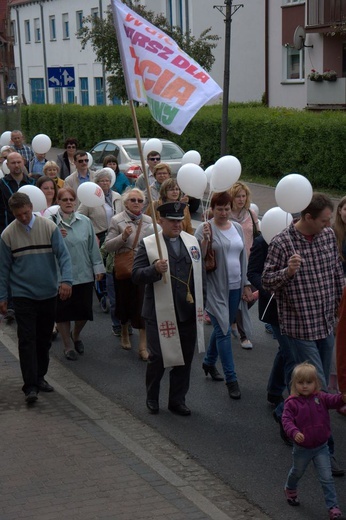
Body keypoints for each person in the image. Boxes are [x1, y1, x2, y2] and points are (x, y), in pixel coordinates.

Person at [262, 192, 345, 476]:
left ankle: (283, 413)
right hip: (298, 327)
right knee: (319, 389)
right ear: (307, 217)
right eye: (323, 220)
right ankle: (327, 452)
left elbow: (336, 273)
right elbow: (267, 281)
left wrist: (338, 308)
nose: (328, 224)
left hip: (324, 323)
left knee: (309, 389)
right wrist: (287, 271)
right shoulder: (282, 242)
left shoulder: (327, 237)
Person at [132, 201, 206, 416]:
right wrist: (154, 269)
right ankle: (152, 396)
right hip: (159, 311)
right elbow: (136, 275)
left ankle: (177, 400)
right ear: (160, 221)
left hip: (188, 310)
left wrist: (204, 304)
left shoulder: (191, 242)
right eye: (172, 221)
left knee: (185, 359)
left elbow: (201, 277)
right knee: (158, 357)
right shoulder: (149, 244)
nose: (177, 225)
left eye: (179, 220)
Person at [0, 192, 72, 403]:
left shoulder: (48, 227)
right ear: (12, 213)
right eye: (18, 215)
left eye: (26, 213)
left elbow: (63, 255)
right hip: (23, 295)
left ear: (31, 207)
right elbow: (3, 269)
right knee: (26, 340)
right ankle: (30, 386)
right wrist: (3, 296)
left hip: (48, 293)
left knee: (43, 339)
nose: (23, 218)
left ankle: (40, 377)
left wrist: (66, 280)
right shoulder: (7, 235)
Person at [195, 191, 253, 400]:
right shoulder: (204, 228)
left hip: (235, 287)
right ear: (212, 209)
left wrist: (246, 282)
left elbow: (243, 257)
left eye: (227, 208)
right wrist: (205, 243)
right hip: (215, 288)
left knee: (222, 328)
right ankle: (232, 379)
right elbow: (195, 259)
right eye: (219, 209)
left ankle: (209, 363)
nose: (223, 212)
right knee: (224, 332)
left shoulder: (236, 227)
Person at [282, 363, 346, 520]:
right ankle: (290, 488)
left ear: (316, 383)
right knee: (297, 472)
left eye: (309, 382)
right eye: (300, 382)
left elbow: (334, 400)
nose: (304, 386)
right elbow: (286, 421)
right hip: (302, 448)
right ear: (294, 384)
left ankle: (333, 508)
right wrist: (294, 432)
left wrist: (342, 397)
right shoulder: (292, 403)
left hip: (321, 446)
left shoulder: (321, 397)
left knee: (326, 477)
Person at [52, 187, 105, 361]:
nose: (68, 202)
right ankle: (68, 346)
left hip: (83, 273)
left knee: (83, 312)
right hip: (61, 277)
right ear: (58, 202)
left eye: (71, 199)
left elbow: (92, 246)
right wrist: (53, 237)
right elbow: (44, 249)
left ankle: (76, 335)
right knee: (63, 312)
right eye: (64, 199)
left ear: (76, 201)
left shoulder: (84, 221)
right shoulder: (50, 223)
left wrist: (98, 268)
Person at [247, 234, 296, 407]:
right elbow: (252, 272)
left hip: (294, 307)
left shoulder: (296, 238)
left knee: (285, 351)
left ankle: (275, 391)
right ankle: (296, 404)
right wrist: (267, 287)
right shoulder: (262, 242)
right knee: (292, 354)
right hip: (274, 306)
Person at [105, 188, 152, 360]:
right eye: (133, 200)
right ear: (125, 203)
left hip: (143, 268)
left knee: (143, 304)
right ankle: (124, 330)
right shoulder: (117, 220)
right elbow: (108, 246)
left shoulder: (149, 221)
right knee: (124, 301)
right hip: (125, 268)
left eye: (140, 201)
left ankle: (142, 345)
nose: (136, 203)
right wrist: (123, 237)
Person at [229, 181, 260, 349]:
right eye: (237, 196)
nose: (241, 199)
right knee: (240, 295)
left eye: (243, 196)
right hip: (231, 261)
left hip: (250, 260)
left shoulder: (251, 214)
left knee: (252, 293)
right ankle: (244, 335)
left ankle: (233, 319)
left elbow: (256, 237)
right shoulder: (225, 214)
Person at [78, 168, 123, 245]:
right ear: (96, 183)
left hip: (116, 235)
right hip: (99, 237)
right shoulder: (90, 197)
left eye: (107, 180)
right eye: (102, 181)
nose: (105, 183)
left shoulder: (117, 196)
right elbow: (79, 217)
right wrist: (89, 232)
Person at [0, 152, 35, 233]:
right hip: (7, 229)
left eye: (18, 162)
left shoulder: (32, 183)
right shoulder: (2, 184)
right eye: (13, 163)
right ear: (7, 165)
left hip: (30, 228)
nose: (16, 165)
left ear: (23, 162)